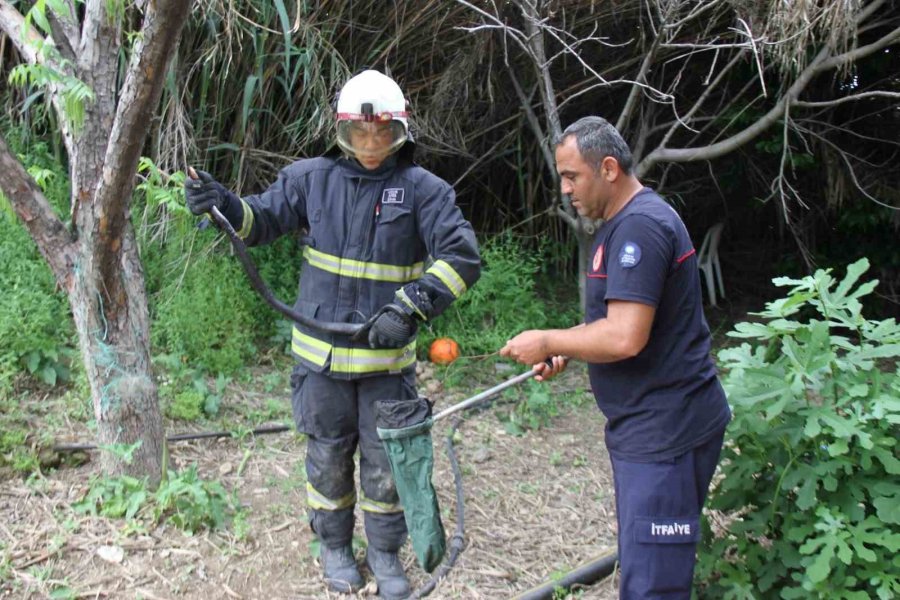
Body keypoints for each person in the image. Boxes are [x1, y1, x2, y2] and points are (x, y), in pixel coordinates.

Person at [185, 69, 481, 599]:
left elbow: (461, 256)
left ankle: (387, 554)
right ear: (342, 131)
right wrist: (225, 204)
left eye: (382, 134)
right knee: (326, 459)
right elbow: (260, 222)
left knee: (386, 464)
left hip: (386, 369)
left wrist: (411, 307)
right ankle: (336, 546)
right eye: (360, 134)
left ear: (400, 133)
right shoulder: (309, 179)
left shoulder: (424, 192)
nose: (371, 146)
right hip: (319, 365)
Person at [500, 116, 731, 599]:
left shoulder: (639, 230)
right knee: (645, 566)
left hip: (665, 434)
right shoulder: (624, 223)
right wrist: (567, 345)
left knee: (653, 586)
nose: (565, 190)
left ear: (607, 168)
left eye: (571, 177)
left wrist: (547, 340)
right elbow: (620, 323)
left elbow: (625, 337)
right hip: (651, 428)